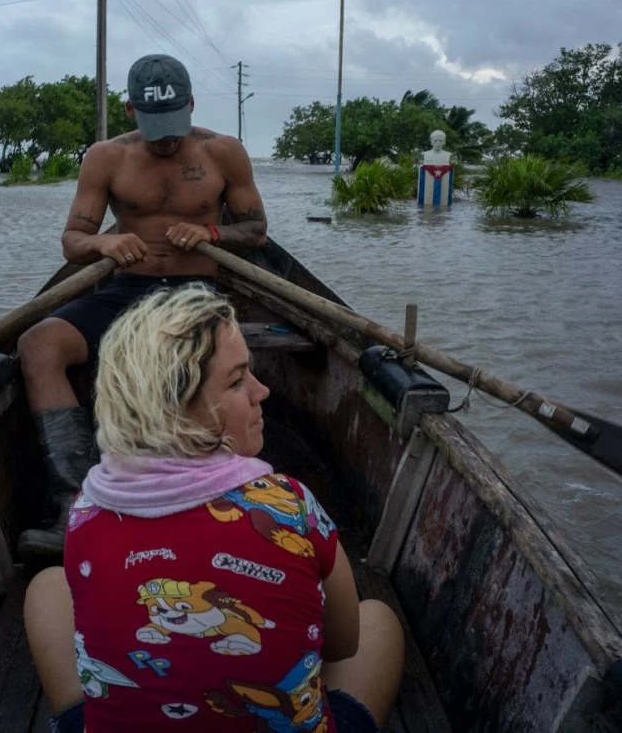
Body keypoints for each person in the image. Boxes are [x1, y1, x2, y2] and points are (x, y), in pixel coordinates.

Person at [25, 286, 405, 732]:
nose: (262, 390)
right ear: (179, 407)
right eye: (237, 380)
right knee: (377, 620)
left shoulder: (86, 508)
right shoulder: (290, 505)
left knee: (47, 588)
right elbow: (342, 643)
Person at [15, 54, 269, 559]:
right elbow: (72, 240)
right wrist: (104, 245)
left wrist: (211, 232)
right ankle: (74, 500)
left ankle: (222, 493)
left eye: (174, 126)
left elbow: (257, 230)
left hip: (197, 293)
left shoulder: (224, 152)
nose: (166, 140)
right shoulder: (106, 158)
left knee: (191, 363)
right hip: (126, 292)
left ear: (191, 105)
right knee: (37, 344)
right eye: (154, 128)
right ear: (130, 111)